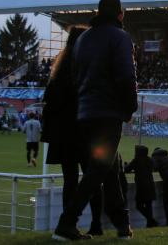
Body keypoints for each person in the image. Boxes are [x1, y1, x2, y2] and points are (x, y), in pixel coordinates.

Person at [53, 0, 137, 241]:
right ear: (120, 14)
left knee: (107, 168)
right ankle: (66, 224)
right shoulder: (120, 38)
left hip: (86, 112)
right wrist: (130, 107)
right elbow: (126, 75)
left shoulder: (83, 39)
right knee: (99, 170)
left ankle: (123, 226)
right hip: (108, 113)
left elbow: (76, 76)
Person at [41, 26, 104, 236]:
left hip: (64, 135)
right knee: (93, 179)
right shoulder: (86, 67)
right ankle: (96, 224)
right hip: (84, 132)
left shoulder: (59, 70)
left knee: (70, 180)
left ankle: (70, 224)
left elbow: (49, 103)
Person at [125, 145, 157, 228]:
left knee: (139, 205)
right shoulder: (150, 160)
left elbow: (127, 169)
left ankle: (151, 221)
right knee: (148, 206)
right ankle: (150, 222)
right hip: (150, 185)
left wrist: (125, 165)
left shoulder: (137, 160)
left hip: (141, 186)